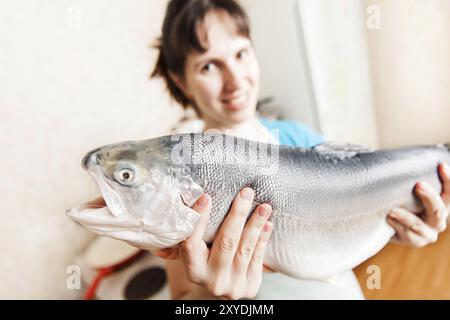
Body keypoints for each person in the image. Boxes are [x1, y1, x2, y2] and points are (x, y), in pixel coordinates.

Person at [150, 0, 450, 300]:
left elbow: (350, 225)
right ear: (181, 81)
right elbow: (183, 301)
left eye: (241, 54)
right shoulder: (183, 184)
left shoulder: (298, 136)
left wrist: (403, 227)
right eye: (209, 66)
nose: (235, 80)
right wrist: (217, 296)